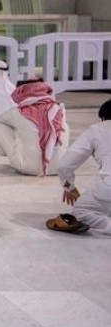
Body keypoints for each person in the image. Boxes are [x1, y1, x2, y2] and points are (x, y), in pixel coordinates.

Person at [48, 99, 111, 235]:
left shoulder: (97, 130)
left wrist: (69, 187)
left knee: (80, 212)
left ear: (103, 117)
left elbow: (64, 165)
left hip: (109, 189)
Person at [0, 78, 69, 176]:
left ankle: (18, 158)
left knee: (0, 126)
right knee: (63, 126)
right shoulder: (59, 109)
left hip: (28, 168)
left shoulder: (17, 112)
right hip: (60, 167)